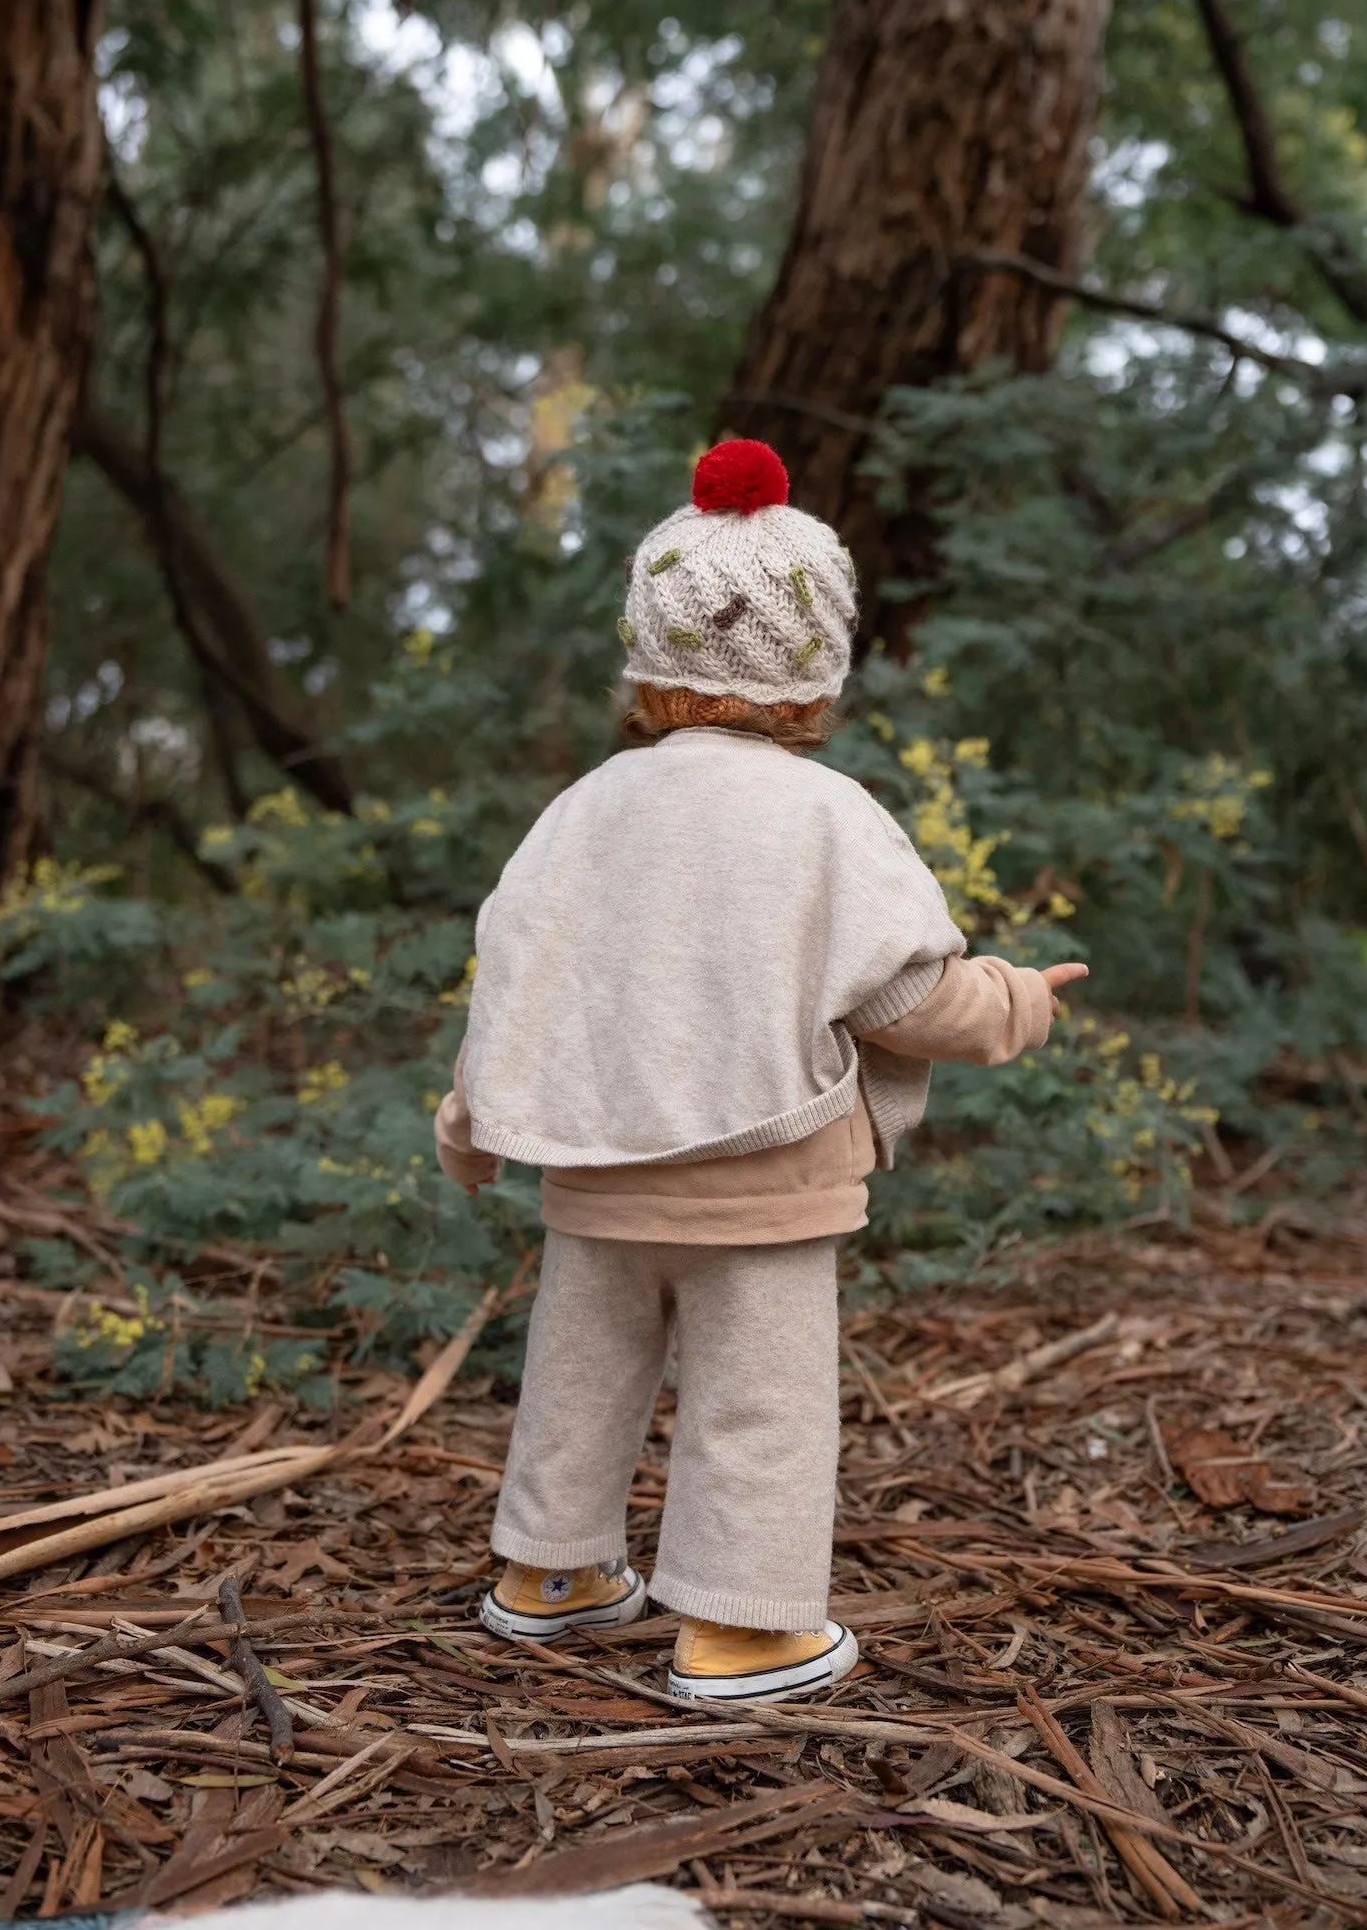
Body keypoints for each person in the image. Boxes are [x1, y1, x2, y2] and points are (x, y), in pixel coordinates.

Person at [433, 439, 1086, 1703]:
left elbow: (518, 973)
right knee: (759, 1406)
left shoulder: (579, 811)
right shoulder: (828, 815)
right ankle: (741, 1632)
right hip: (766, 1182)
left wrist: (474, 1120)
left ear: (646, 656)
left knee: (578, 1379)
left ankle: (548, 1575)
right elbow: (904, 994)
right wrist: (1015, 1002)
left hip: (598, 1178)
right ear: (816, 668)